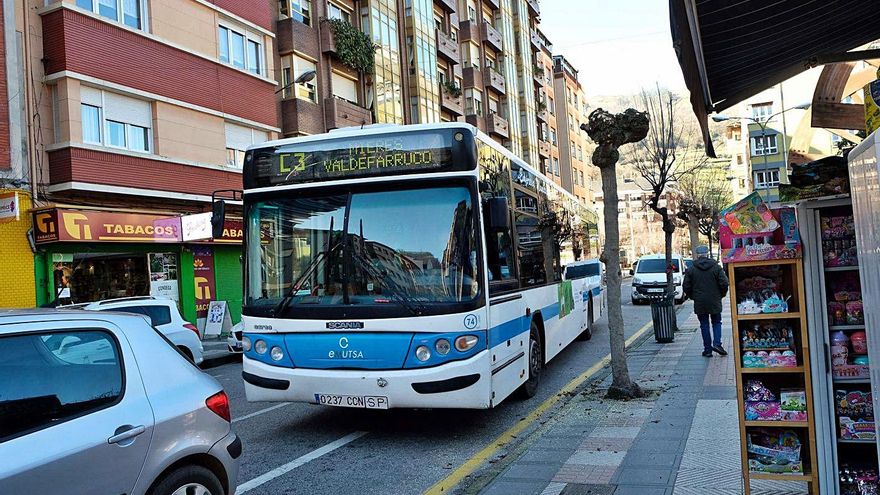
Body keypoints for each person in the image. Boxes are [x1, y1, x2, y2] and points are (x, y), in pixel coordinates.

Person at [683, 245, 729, 357]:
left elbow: (686, 286)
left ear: (697, 255)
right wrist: (721, 295)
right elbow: (724, 283)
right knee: (717, 322)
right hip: (714, 299)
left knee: (704, 325)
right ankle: (717, 343)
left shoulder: (691, 269)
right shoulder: (716, 267)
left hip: (700, 301)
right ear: (707, 254)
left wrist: (693, 296)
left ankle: (707, 350)